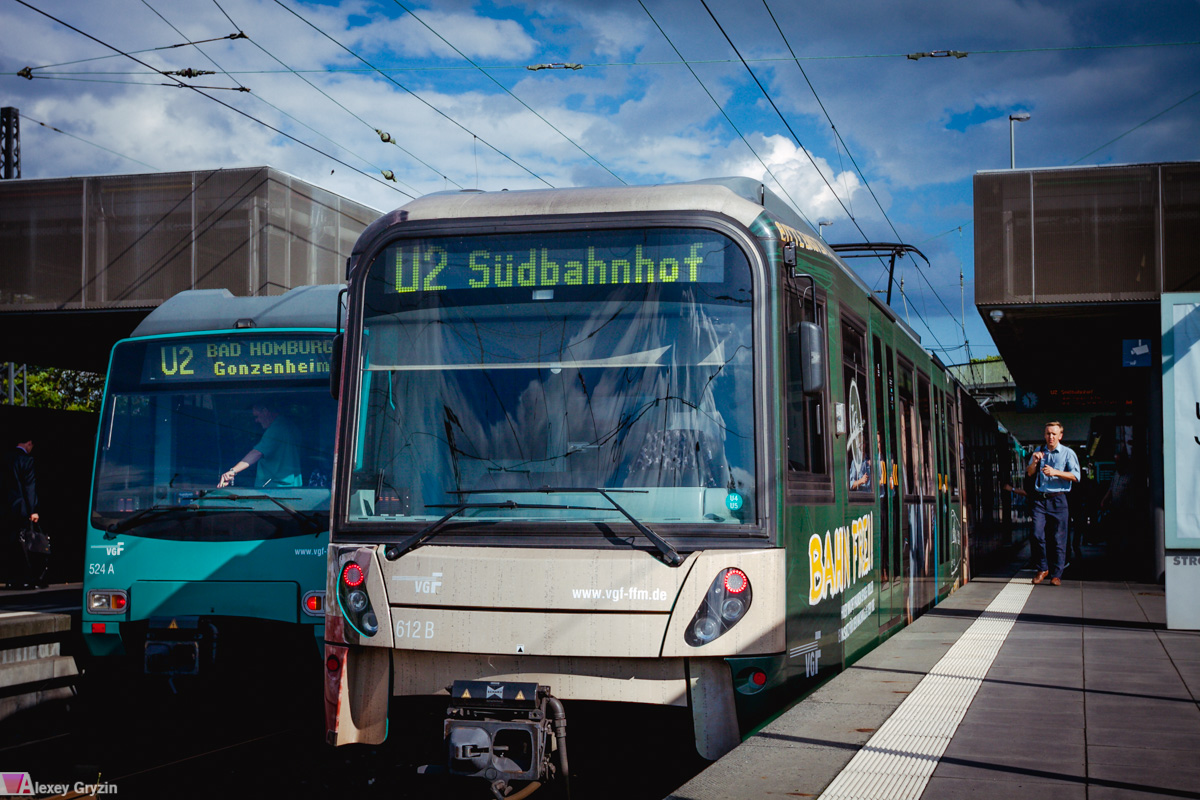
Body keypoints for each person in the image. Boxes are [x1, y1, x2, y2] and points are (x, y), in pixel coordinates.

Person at [1026, 421, 1080, 586]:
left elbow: (1076, 476)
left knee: (1059, 538)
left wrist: (1055, 472)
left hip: (1058, 499)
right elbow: (1029, 473)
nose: (1051, 437)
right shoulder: (1039, 451)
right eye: (1048, 433)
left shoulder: (1068, 453)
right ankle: (1043, 568)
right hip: (1040, 500)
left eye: (1054, 434)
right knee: (1036, 534)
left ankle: (1057, 574)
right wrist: (1034, 462)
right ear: (1044, 435)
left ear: (1060, 436)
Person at [218, 401, 302, 488]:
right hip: (294, 486)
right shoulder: (291, 426)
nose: (256, 420)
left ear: (265, 411)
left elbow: (257, 453)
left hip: (275, 487)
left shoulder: (276, 429)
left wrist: (233, 471)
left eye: (257, 416)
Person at [3, 436, 43, 589]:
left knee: (9, 543)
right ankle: (25, 578)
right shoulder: (26, 460)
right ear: (29, 443)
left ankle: (10, 578)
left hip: (6, 508)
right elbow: (29, 486)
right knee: (25, 543)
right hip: (21, 509)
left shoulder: (6, 458)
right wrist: (33, 510)